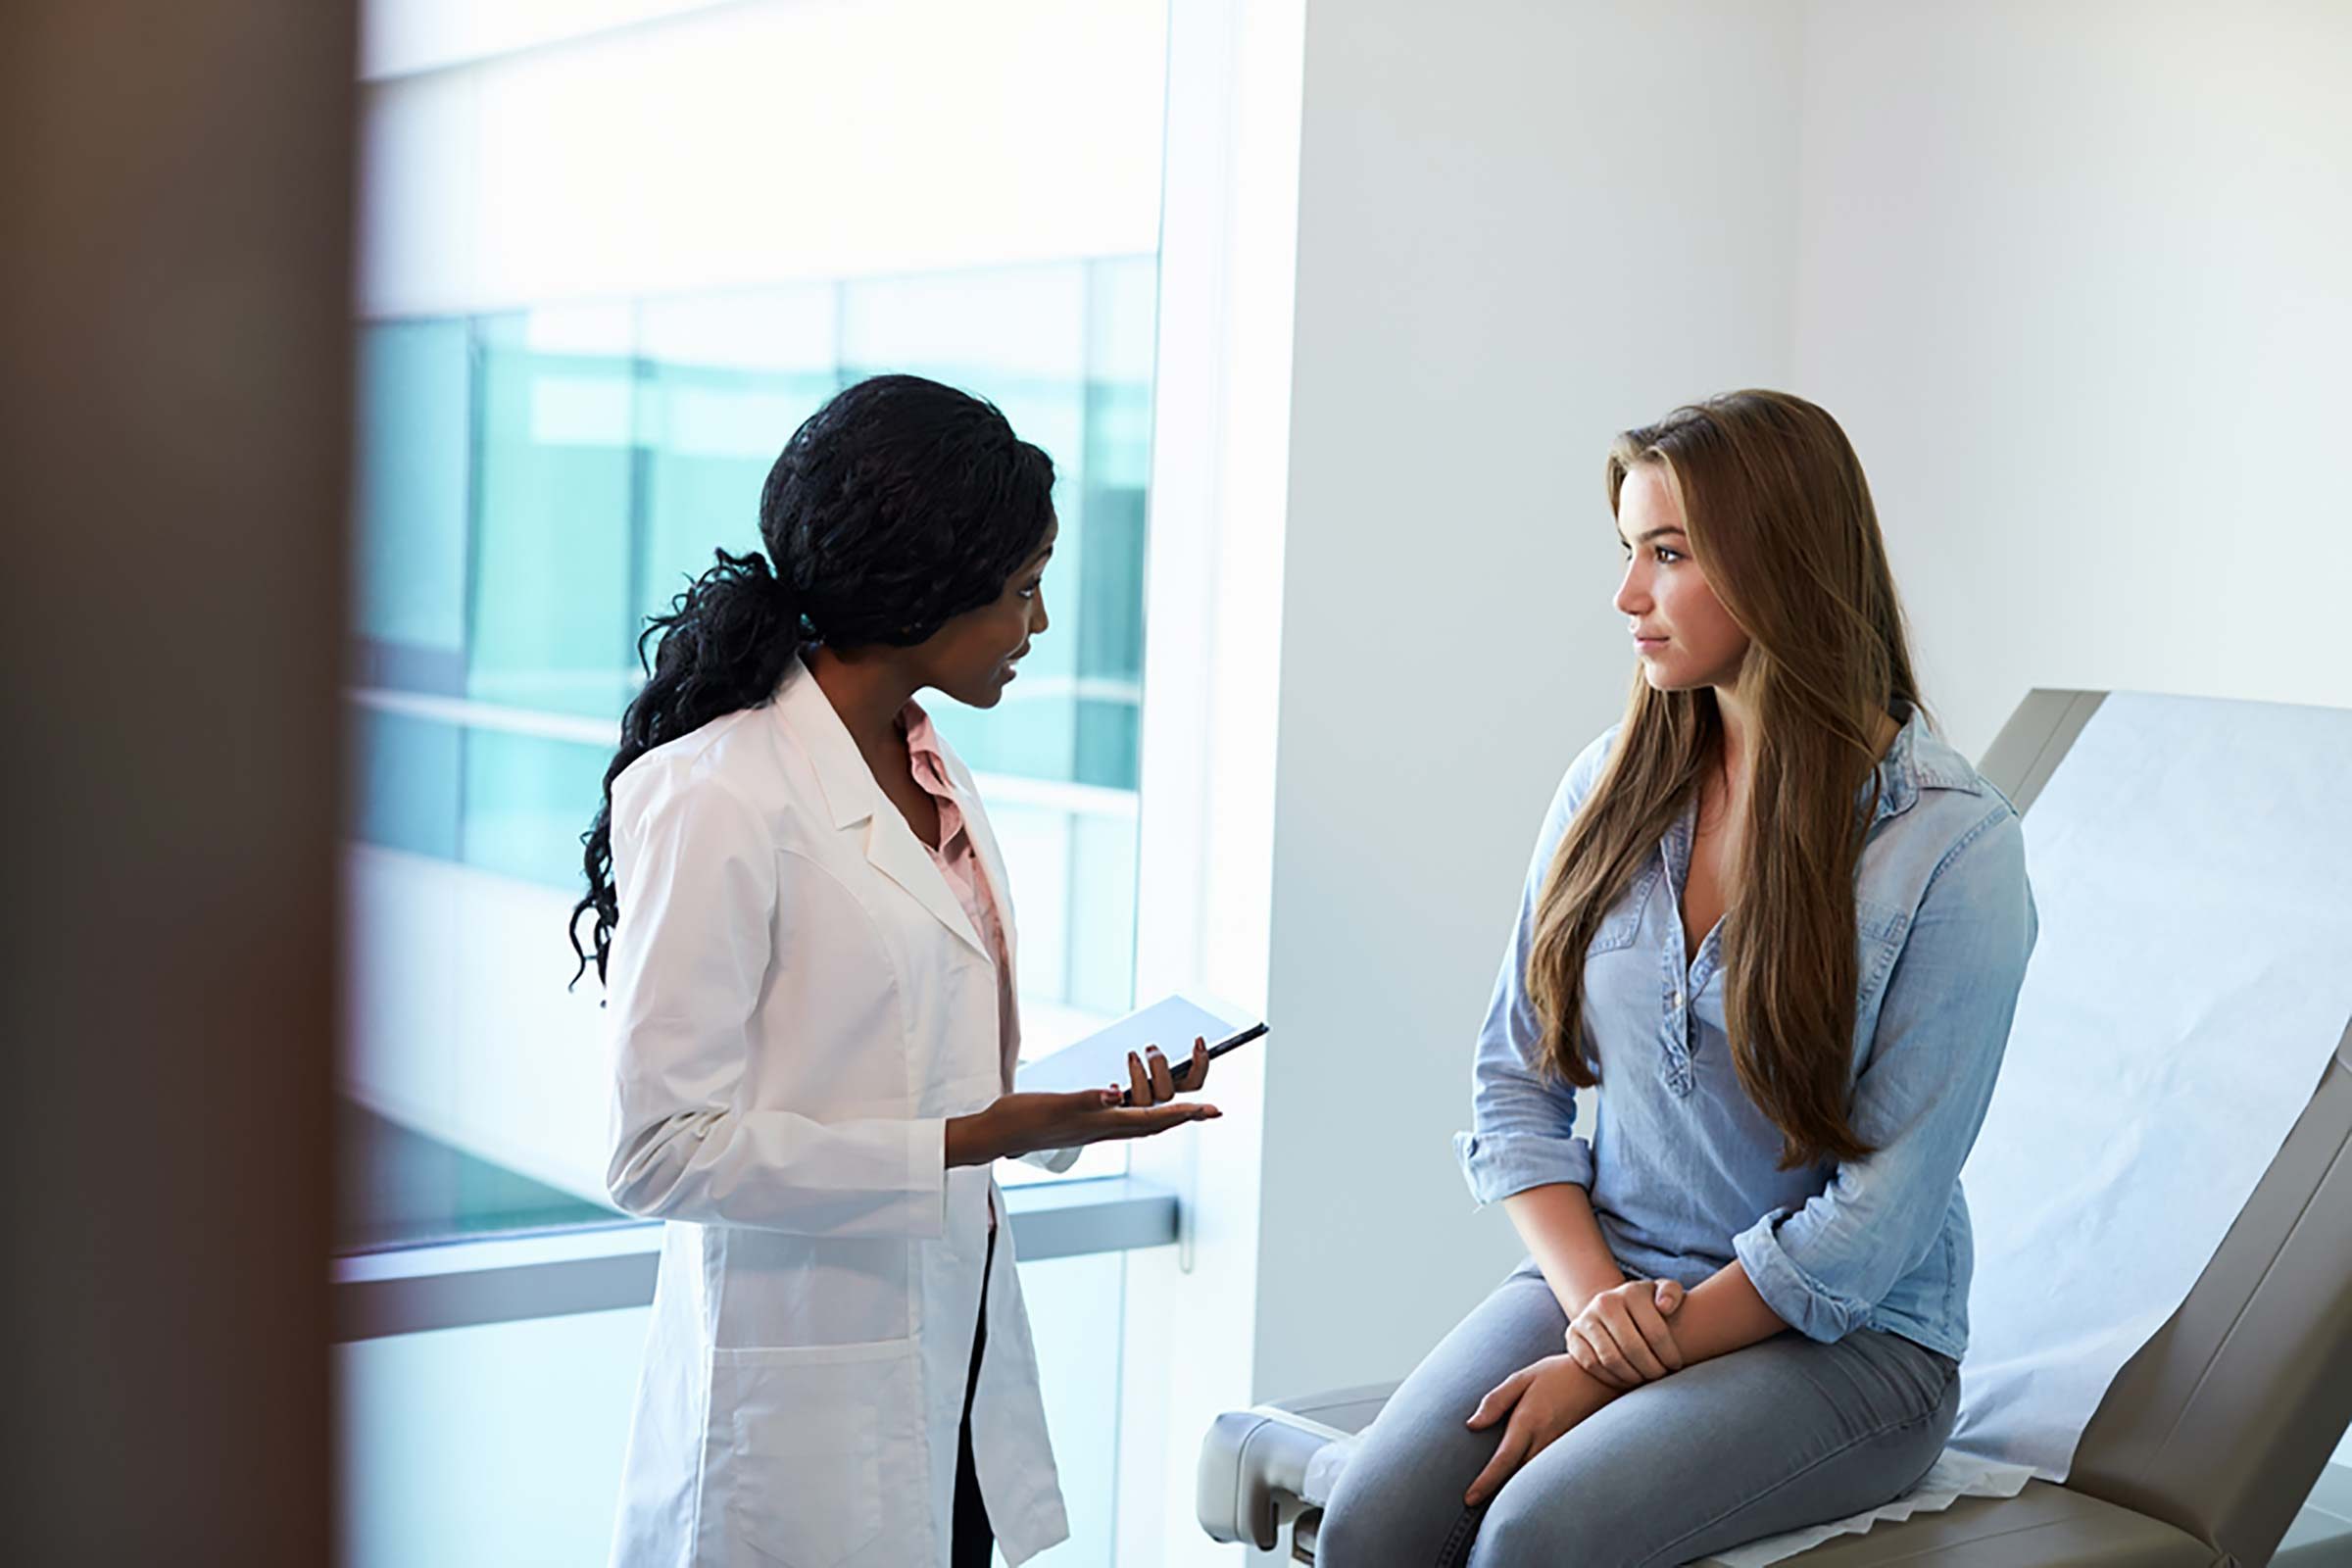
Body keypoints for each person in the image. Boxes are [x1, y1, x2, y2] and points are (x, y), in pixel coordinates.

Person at [1314, 391, 2037, 1567]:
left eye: (1668, 553)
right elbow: (1515, 1088)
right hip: (1615, 1277)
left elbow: (1871, 1225)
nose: (1626, 596)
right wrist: (1601, 1308)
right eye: (1626, 550)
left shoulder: (1952, 849)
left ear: (1782, 565)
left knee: (1538, 1542)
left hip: (1848, 1343)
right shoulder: (1607, 784)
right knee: (1373, 1523)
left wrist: (1610, 1363)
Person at [569, 374, 1220, 1568]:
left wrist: (1071, 1106)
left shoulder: (930, 768)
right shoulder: (720, 791)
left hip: (952, 1357)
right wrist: (966, 1140)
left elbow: (940, 1061)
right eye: (1023, 590)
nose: (1037, 626)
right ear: (926, 587)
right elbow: (657, 1151)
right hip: (800, 1410)